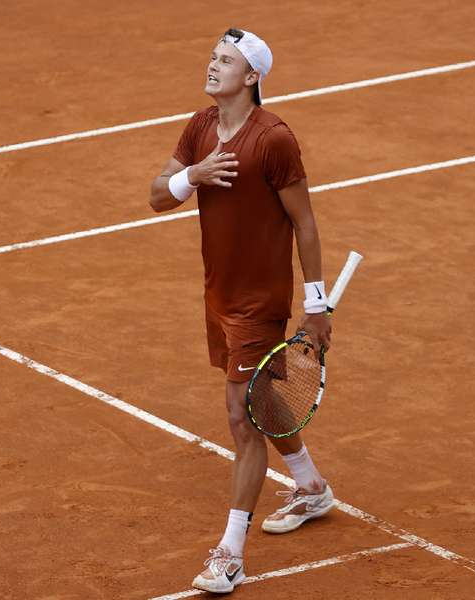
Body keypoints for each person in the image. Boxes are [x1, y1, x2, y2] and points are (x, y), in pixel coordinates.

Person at [148, 28, 336, 593]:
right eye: (211, 56)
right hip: (218, 293)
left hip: (259, 303)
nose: (211, 65)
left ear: (251, 76)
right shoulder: (200, 127)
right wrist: (193, 176)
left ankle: (230, 554)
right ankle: (310, 485)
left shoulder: (274, 138)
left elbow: (304, 222)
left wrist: (317, 302)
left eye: (224, 60)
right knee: (259, 397)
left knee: (240, 416)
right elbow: (157, 194)